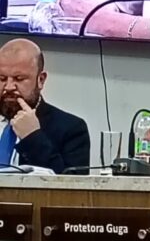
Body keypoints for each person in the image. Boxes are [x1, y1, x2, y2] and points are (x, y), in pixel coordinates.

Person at [0, 38, 90, 173]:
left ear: (41, 80)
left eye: (19, 79)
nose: (9, 87)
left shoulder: (72, 129)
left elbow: (71, 183)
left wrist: (33, 137)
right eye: (2, 79)